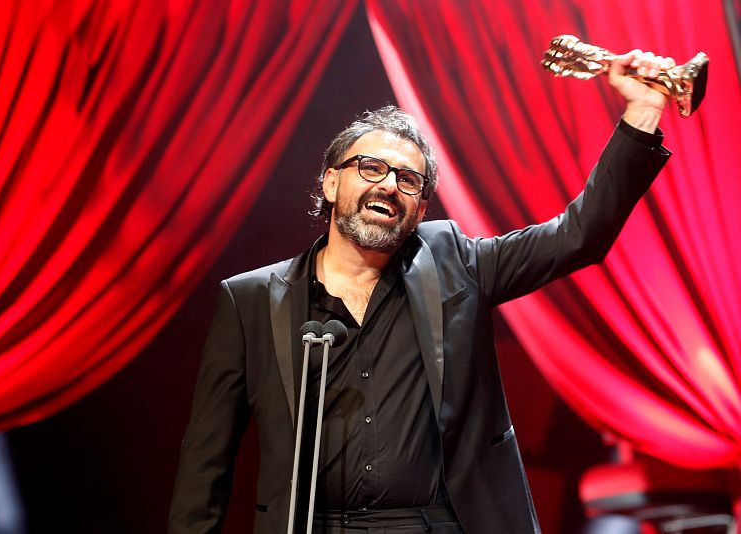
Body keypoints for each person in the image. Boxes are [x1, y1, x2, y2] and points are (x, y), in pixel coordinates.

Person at [169, 50, 675, 533]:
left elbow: (577, 236)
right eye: (370, 168)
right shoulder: (252, 300)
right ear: (329, 183)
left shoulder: (457, 263)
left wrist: (643, 112)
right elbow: (206, 461)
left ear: (421, 209)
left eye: (408, 180)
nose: (388, 184)